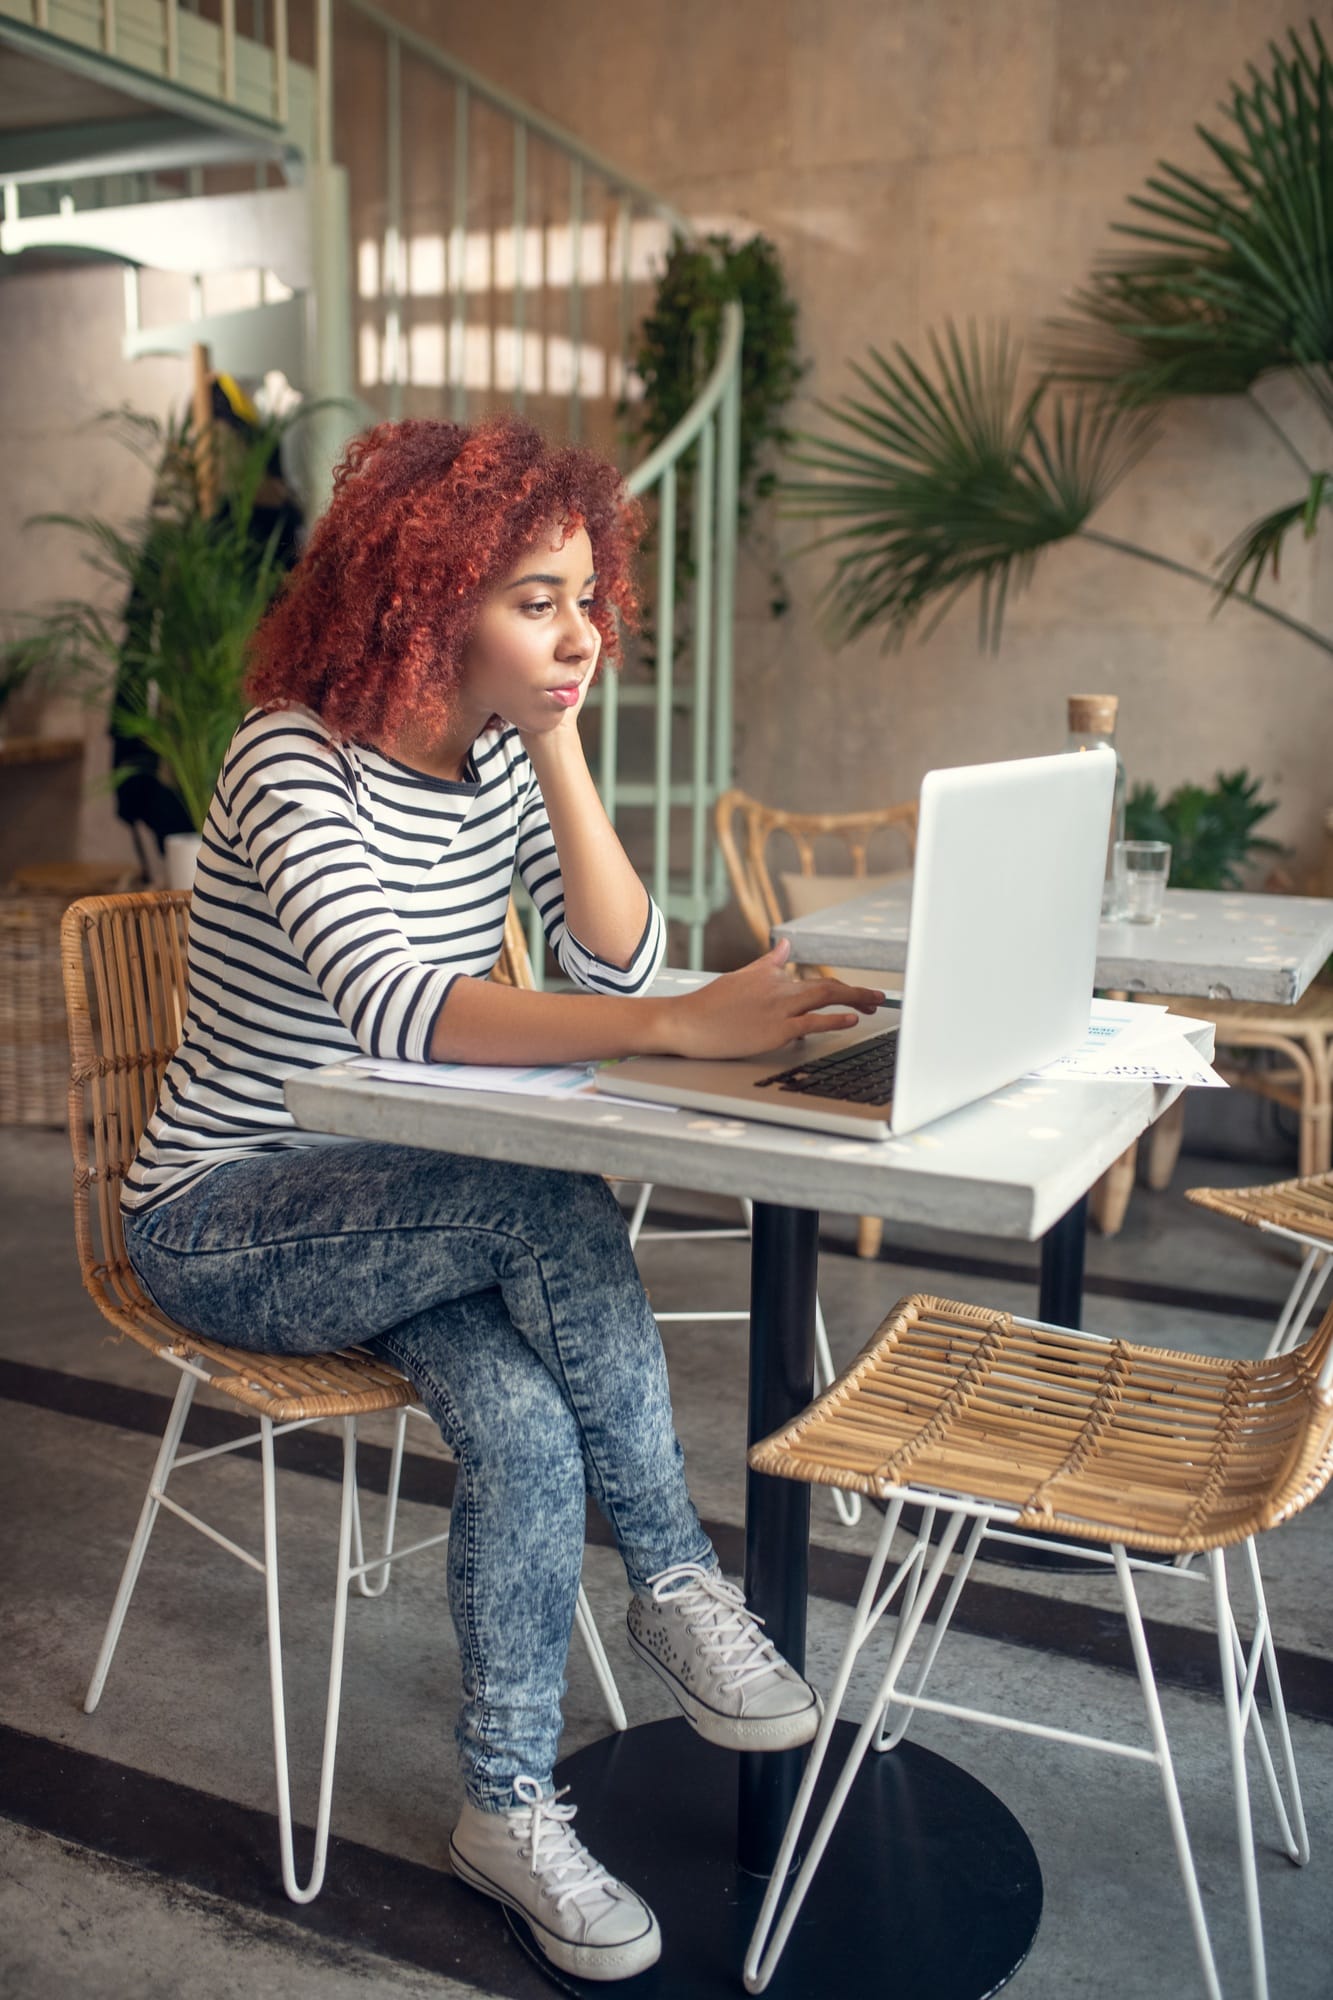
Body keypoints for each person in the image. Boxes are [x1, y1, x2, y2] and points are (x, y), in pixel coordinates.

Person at [120, 415, 882, 1981]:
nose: (579, 632)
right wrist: (675, 1026)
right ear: (422, 591)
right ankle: (673, 1577)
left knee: (531, 1428)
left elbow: (613, 957)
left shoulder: (494, 762)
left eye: (588, 599)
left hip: (408, 1214)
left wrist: (551, 739)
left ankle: (505, 1807)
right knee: (540, 1205)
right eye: (535, 598)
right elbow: (400, 1007)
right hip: (227, 1214)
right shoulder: (288, 754)